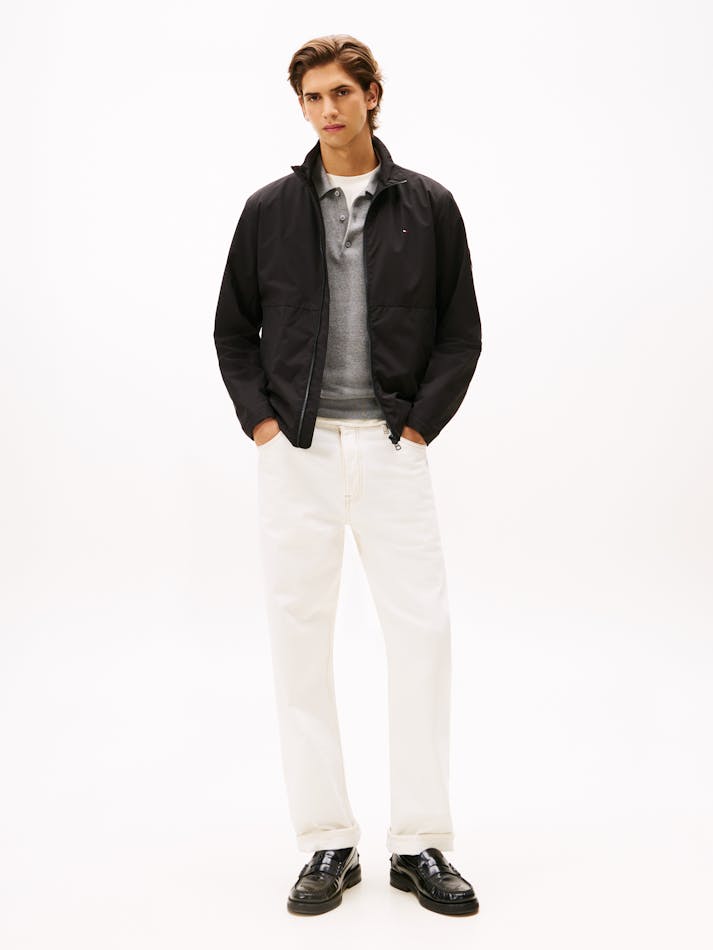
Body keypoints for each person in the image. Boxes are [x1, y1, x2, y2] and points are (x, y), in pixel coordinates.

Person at [213, 33, 482, 917]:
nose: (326, 110)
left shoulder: (429, 206)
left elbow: (460, 334)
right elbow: (232, 331)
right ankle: (326, 840)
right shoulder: (267, 210)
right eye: (311, 97)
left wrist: (417, 427)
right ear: (300, 107)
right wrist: (264, 426)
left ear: (372, 95)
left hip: (392, 449)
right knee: (299, 643)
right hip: (297, 452)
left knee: (422, 640)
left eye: (340, 92)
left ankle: (420, 843)